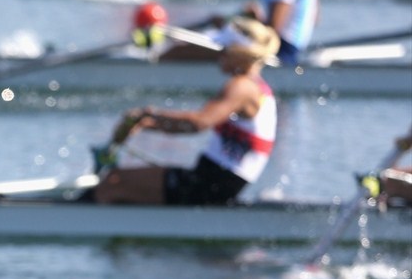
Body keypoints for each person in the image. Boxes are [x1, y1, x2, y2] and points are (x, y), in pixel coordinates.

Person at [92, 18, 281, 206]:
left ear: (240, 53)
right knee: (123, 183)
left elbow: (198, 123)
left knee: (112, 183)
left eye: (224, 50)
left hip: (210, 186)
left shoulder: (241, 86)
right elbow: (194, 124)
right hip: (215, 183)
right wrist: (149, 124)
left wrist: (148, 115)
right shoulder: (258, 88)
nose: (218, 55)